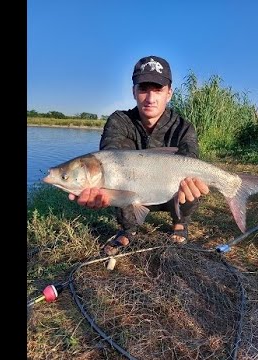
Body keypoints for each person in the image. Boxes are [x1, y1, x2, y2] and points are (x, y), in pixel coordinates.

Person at [68, 55, 209, 255]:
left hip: (171, 193)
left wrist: (194, 183)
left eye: (158, 89)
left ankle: (180, 223)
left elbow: (191, 161)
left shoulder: (183, 127)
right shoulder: (120, 121)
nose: (150, 99)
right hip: (131, 195)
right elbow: (108, 155)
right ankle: (128, 228)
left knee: (191, 181)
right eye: (143, 89)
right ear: (133, 91)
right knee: (113, 178)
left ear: (169, 93)